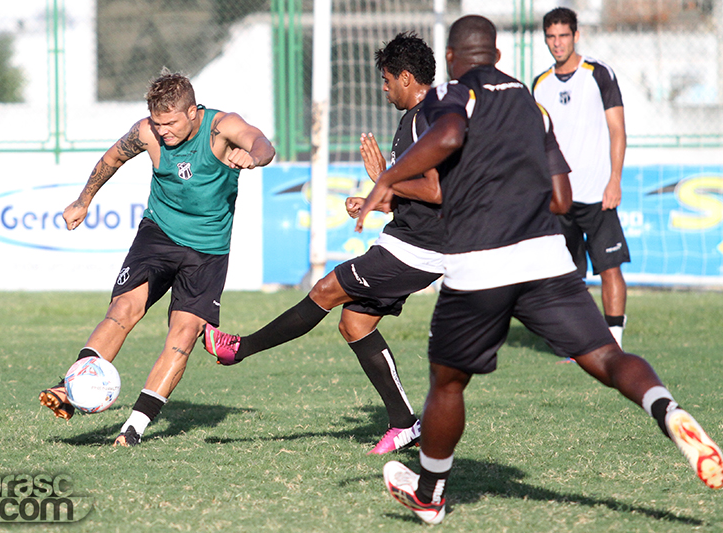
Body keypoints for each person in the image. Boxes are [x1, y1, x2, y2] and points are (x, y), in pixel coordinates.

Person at [355, 15, 723, 525]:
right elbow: (562, 197)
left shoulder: (450, 96)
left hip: (480, 262)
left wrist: (388, 179)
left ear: (454, 59)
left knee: (447, 383)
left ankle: (430, 494)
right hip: (546, 257)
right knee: (607, 357)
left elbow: (451, 133)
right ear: (498, 57)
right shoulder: (532, 104)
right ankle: (668, 410)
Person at [203, 32, 443, 454]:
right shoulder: (417, 117)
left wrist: (382, 179)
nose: (384, 88)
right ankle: (405, 424)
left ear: (406, 77)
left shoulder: (428, 118)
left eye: (387, 80)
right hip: (409, 238)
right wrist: (376, 200)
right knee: (355, 324)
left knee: (326, 289)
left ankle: (239, 349)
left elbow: (438, 191)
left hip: (418, 248)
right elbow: (421, 195)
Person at [39, 69, 275, 447]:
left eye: (171, 123)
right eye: (158, 123)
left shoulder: (221, 128)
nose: (163, 131)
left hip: (207, 252)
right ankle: (70, 386)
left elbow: (262, 142)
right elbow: (112, 158)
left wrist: (254, 157)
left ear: (193, 112)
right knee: (123, 309)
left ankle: (133, 428)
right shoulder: (147, 132)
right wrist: (83, 200)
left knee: (184, 336)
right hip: (159, 236)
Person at [532, 7, 630, 347]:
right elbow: (536, 141)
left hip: (599, 194)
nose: (557, 43)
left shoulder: (599, 74)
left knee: (610, 268)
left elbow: (618, 131)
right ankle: (580, 342)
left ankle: (614, 342)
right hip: (560, 199)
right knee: (568, 277)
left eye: (563, 35)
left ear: (576, 35)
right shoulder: (540, 85)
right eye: (551, 37)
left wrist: (614, 180)